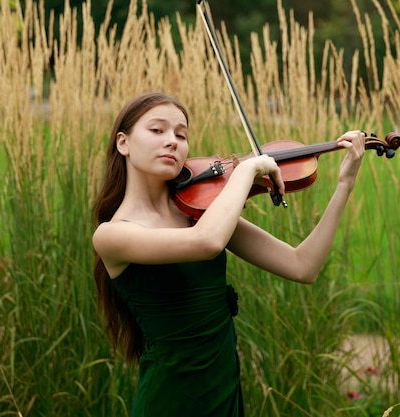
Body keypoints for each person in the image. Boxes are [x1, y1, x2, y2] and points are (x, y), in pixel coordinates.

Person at [91, 92, 367, 416]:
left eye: (181, 134)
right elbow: (206, 242)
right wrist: (245, 171)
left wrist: (344, 185)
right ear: (123, 143)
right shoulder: (113, 235)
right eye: (157, 130)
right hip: (169, 400)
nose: (173, 142)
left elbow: (302, 266)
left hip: (223, 391)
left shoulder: (199, 213)